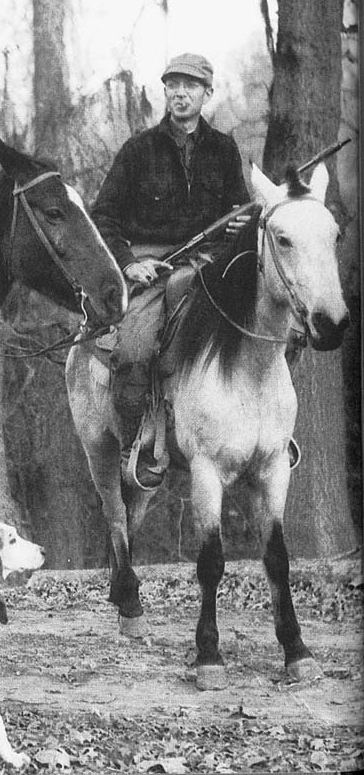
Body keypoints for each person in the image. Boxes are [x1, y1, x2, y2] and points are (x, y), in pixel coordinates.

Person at [91, 52, 250, 489]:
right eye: (173, 85)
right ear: (165, 92)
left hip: (211, 263)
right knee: (135, 349)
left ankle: (270, 433)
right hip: (153, 267)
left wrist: (240, 221)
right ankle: (136, 444)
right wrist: (130, 263)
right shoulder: (138, 150)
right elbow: (102, 216)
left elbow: (241, 208)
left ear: (206, 93)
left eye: (190, 86)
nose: (180, 93)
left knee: (264, 323)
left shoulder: (224, 149)